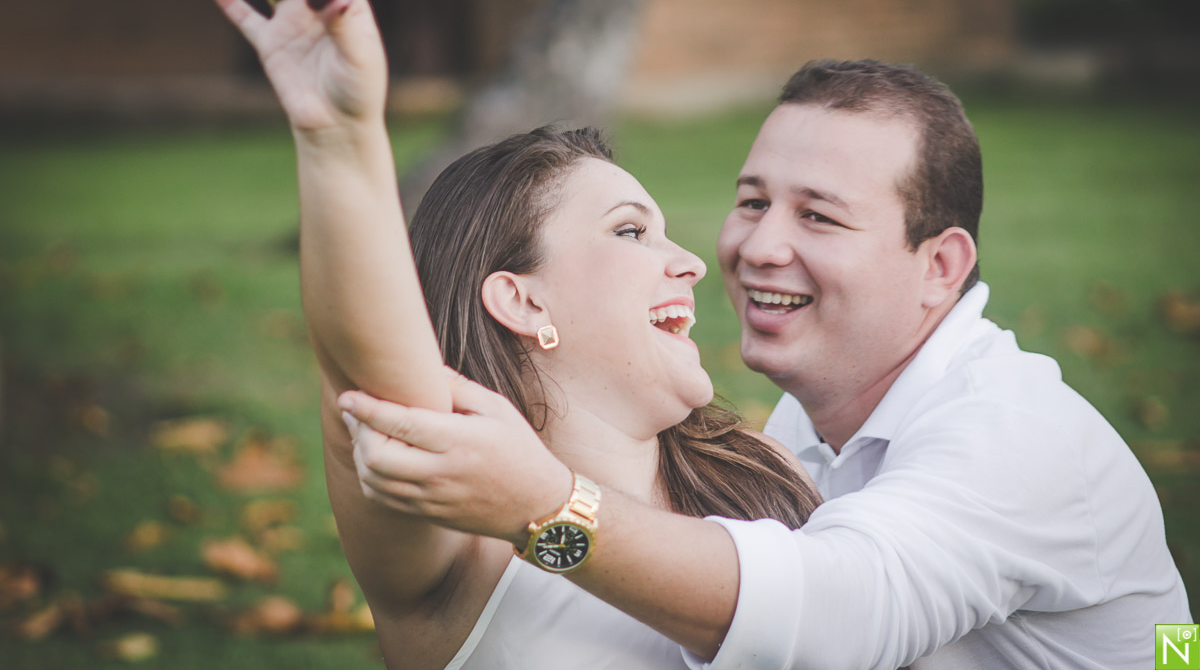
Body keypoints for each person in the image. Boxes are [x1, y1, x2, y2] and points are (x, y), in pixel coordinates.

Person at [339, 58, 1192, 668]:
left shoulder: (1015, 435)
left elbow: (833, 623)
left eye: (818, 216)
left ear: (939, 266)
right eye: (752, 201)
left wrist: (547, 515)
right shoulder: (786, 442)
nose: (750, 247)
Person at [206, 0, 820, 669]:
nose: (691, 262)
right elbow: (370, 372)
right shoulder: (463, 532)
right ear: (523, 301)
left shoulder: (766, 469)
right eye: (631, 232)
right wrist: (339, 133)